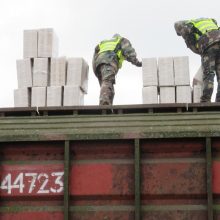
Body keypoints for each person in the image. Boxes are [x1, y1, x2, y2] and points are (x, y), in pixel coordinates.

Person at [174, 18, 220, 102]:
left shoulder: (185, 27)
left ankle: (206, 99)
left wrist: (202, 53)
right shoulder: (207, 20)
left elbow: (191, 44)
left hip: (208, 43)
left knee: (209, 72)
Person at [92, 34, 142, 105]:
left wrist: (96, 72)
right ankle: (104, 103)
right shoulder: (121, 40)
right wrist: (137, 63)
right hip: (109, 60)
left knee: (108, 84)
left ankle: (108, 105)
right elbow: (128, 52)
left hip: (98, 64)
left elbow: (94, 58)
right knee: (108, 81)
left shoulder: (103, 42)